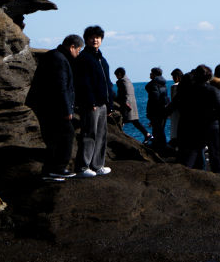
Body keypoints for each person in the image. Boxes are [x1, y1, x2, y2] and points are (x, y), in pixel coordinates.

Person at [25, 34, 83, 180]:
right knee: (66, 134)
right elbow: (60, 86)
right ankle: (57, 168)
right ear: (72, 47)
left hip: (46, 105)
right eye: (78, 50)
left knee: (54, 137)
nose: (78, 53)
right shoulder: (59, 59)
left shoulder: (55, 56)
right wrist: (66, 109)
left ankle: (50, 170)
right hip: (52, 107)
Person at [72, 25, 115, 178]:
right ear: (86, 40)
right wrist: (90, 102)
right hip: (91, 104)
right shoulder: (84, 58)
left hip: (103, 103)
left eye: (98, 37)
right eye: (92, 37)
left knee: (102, 134)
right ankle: (83, 166)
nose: (95, 40)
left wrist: (110, 104)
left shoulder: (102, 59)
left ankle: (97, 165)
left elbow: (108, 83)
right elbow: (83, 83)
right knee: (89, 133)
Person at [166, 65, 220, 171]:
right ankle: (206, 172)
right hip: (202, 125)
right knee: (205, 152)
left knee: (189, 154)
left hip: (185, 125)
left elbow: (170, 108)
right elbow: (219, 109)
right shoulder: (207, 90)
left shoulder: (183, 92)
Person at [114, 67, 150, 142]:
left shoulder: (121, 81)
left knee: (121, 119)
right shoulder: (128, 81)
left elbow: (123, 94)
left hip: (126, 104)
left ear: (120, 74)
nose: (116, 77)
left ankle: (119, 135)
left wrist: (121, 101)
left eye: (116, 75)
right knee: (135, 121)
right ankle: (147, 134)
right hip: (132, 103)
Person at [145, 67, 170, 153]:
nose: (150, 74)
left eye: (151, 73)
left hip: (156, 111)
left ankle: (159, 148)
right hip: (163, 110)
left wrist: (150, 112)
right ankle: (162, 147)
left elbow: (154, 100)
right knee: (160, 130)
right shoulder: (163, 84)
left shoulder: (154, 85)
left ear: (154, 74)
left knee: (157, 130)